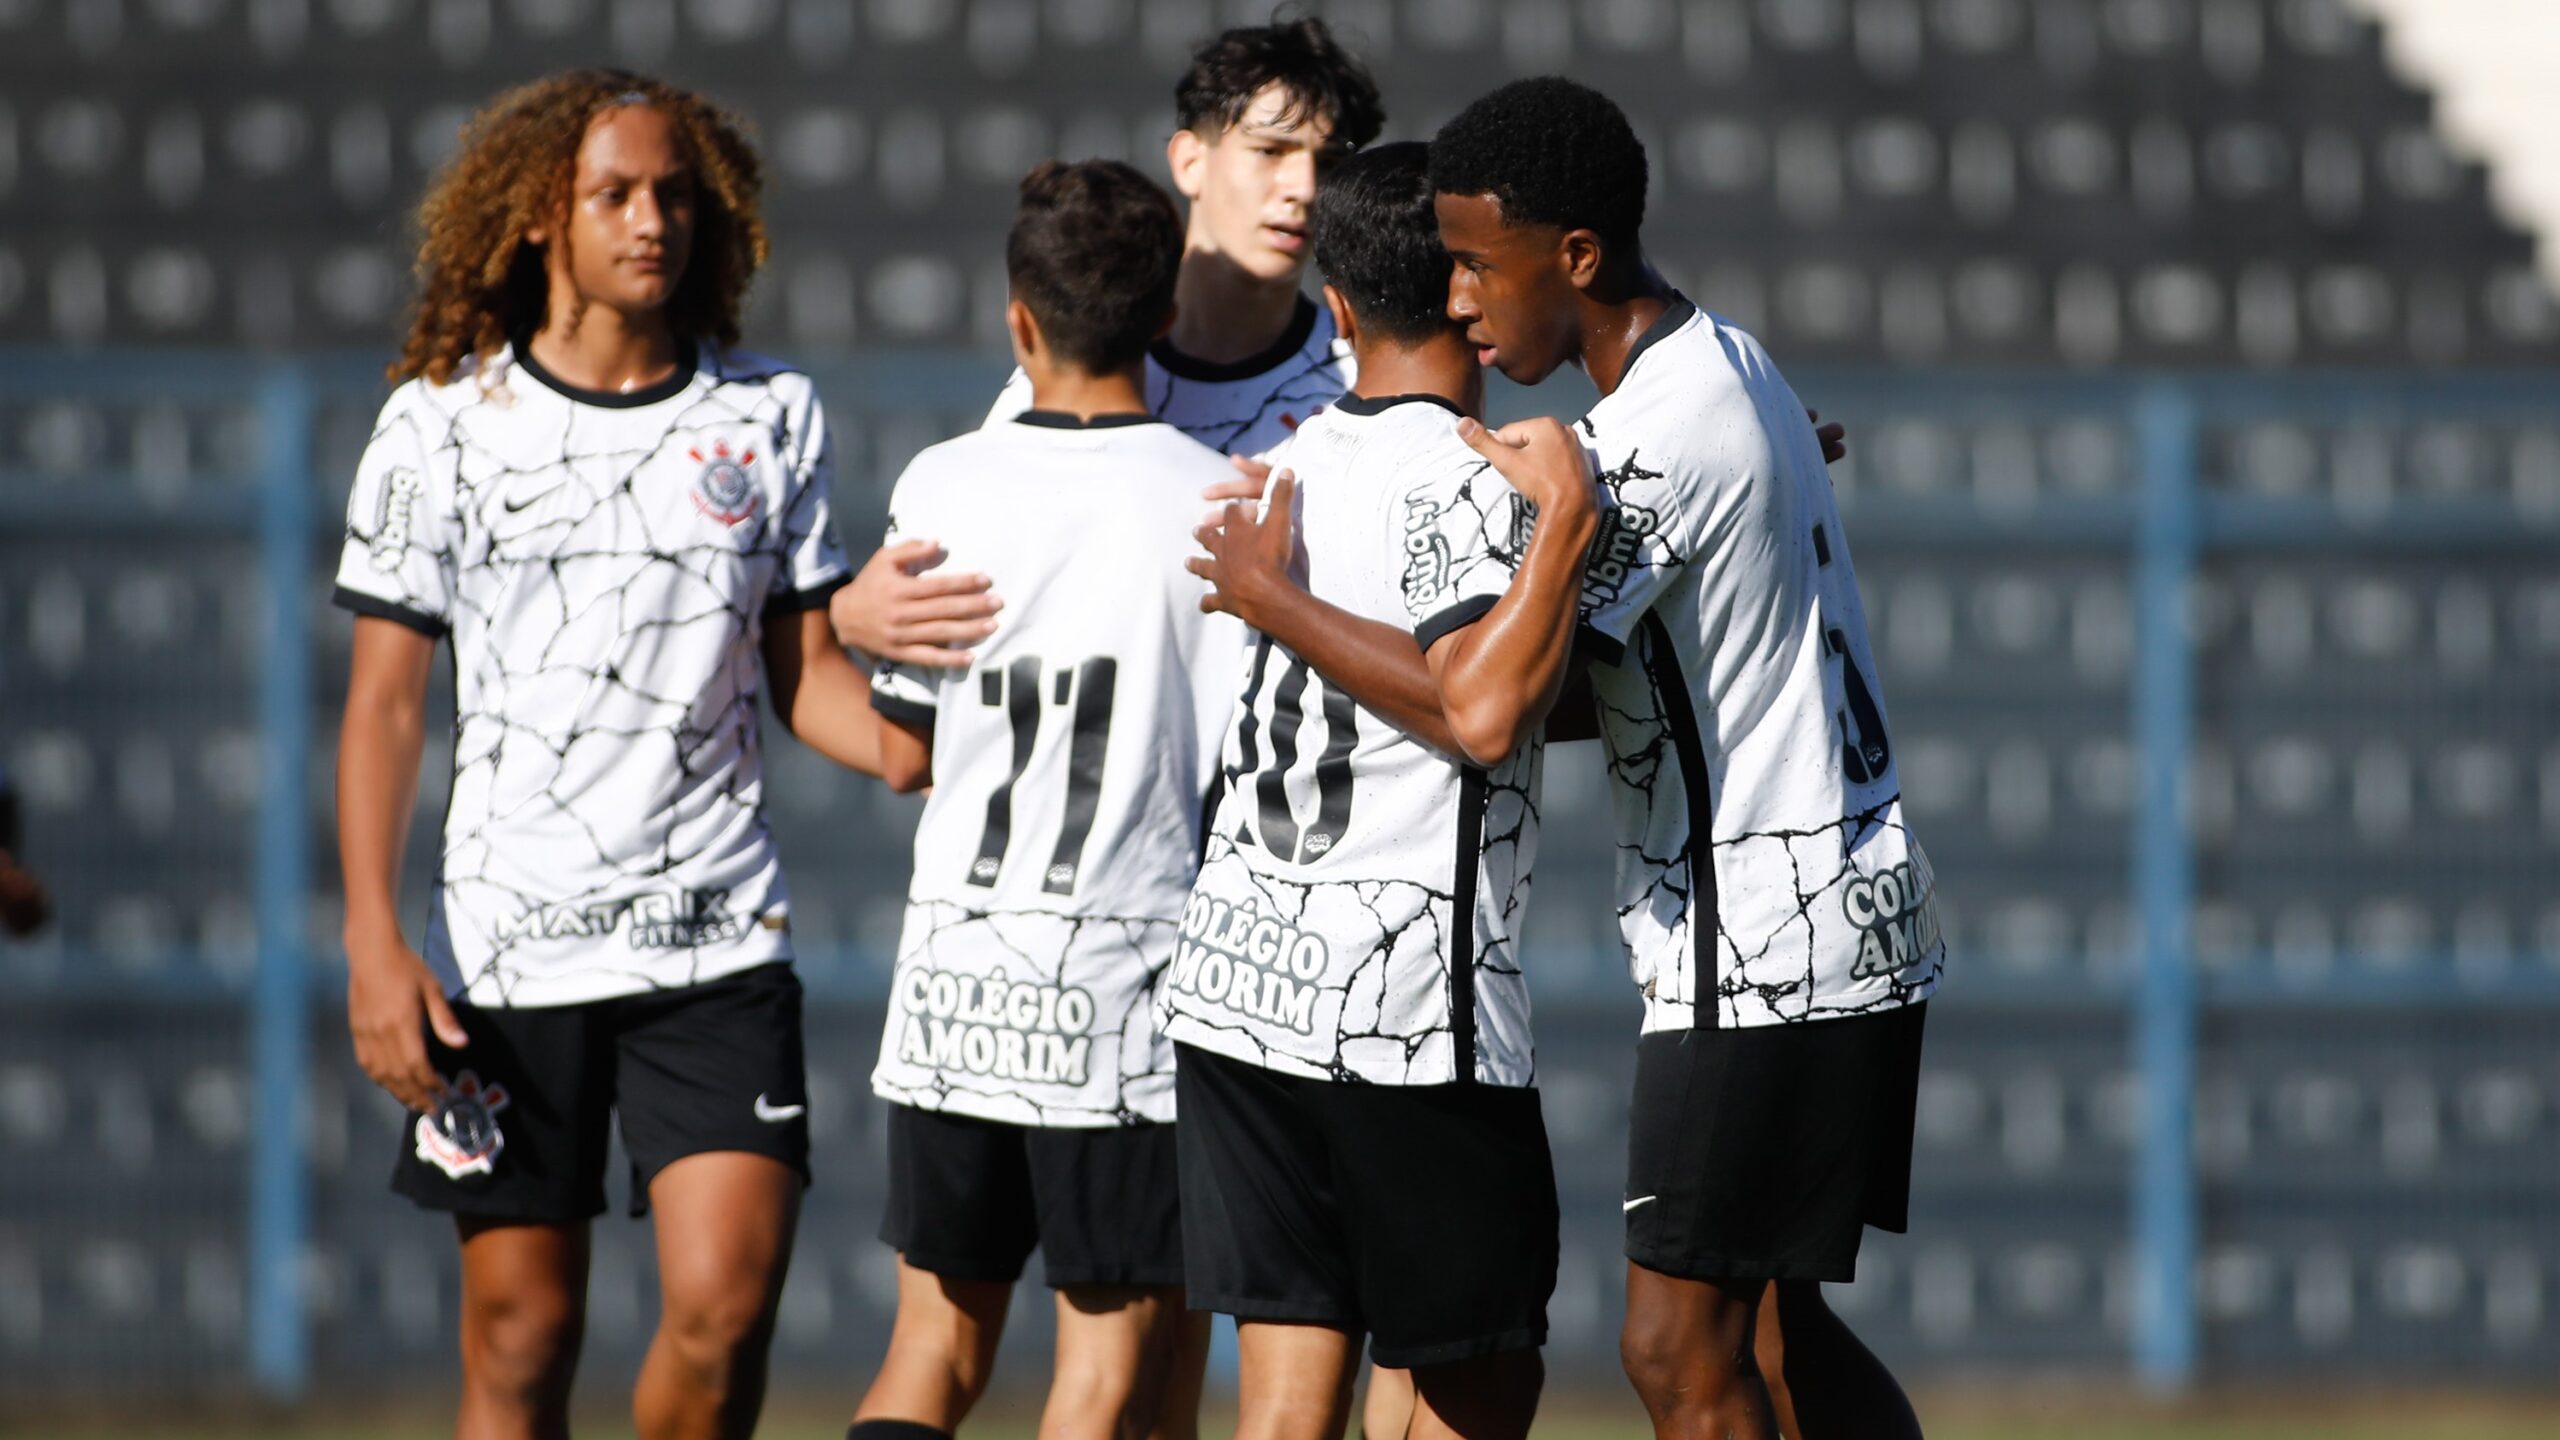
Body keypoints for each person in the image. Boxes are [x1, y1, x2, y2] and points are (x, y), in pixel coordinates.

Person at [333, 70, 894, 1440]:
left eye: (677, 196)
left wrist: (916, 747)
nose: (656, 222)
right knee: (524, 1341)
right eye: (618, 195)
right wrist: (372, 942)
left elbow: (807, 676)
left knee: (723, 1305)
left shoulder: (770, 418)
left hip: (715, 944)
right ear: (539, 216)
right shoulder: (439, 426)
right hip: (508, 952)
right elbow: (387, 705)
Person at [1427, 78, 1945, 1440]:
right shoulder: (1734, 362)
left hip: (1765, 944)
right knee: (1776, 1334)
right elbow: (1635, 678)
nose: (1462, 302)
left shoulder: (1648, 434)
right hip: (1847, 908)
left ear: (1577, 258)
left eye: (1480, 265)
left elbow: (1508, 699)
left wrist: (1298, 608)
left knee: (1673, 1350)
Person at [1166, 141, 1599, 1440]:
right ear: (1467, 286)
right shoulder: (1475, 479)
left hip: (1245, 987)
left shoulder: (1283, 472)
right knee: (1481, 1382)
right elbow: (1479, 704)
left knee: (1291, 1400)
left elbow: (1484, 700)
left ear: (1336, 306)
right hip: (1406, 1008)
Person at [843, 160, 1242, 1440]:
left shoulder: (943, 484)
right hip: (1119, 982)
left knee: (930, 1356)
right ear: (1166, 314)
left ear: (1018, 322)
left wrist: (811, 641)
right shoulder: (1220, 506)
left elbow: (901, 750)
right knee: (1101, 1373)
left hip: (957, 967)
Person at [824, 15, 1383, 673]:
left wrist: (1318, 544)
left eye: (1329, 161)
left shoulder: (1364, 383)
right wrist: (846, 615)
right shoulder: (1080, 356)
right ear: (1188, 160)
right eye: (1270, 150)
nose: (1304, 188)